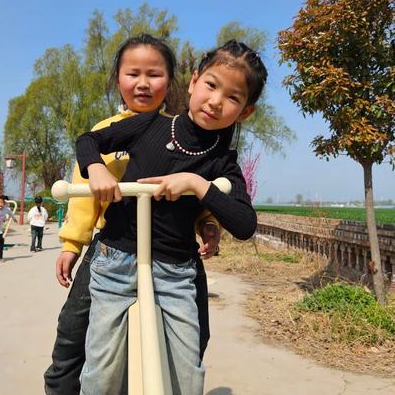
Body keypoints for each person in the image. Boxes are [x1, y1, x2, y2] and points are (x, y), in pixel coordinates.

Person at [76, 39, 266, 395]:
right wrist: (96, 169)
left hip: (177, 274)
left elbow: (245, 224)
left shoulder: (223, 163)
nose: (215, 101)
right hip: (115, 260)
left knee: (185, 376)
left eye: (233, 97)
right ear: (193, 82)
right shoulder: (149, 125)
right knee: (101, 375)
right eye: (211, 85)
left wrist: (196, 183)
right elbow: (87, 140)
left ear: (245, 112)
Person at [44, 34, 221, 395]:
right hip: (113, 248)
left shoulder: (181, 131)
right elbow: (83, 201)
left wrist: (207, 224)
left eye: (154, 74)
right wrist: (72, 245)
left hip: (173, 253)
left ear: (170, 81)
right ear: (118, 79)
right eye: (133, 74)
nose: (143, 83)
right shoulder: (101, 135)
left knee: (197, 333)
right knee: (72, 335)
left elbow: (200, 192)